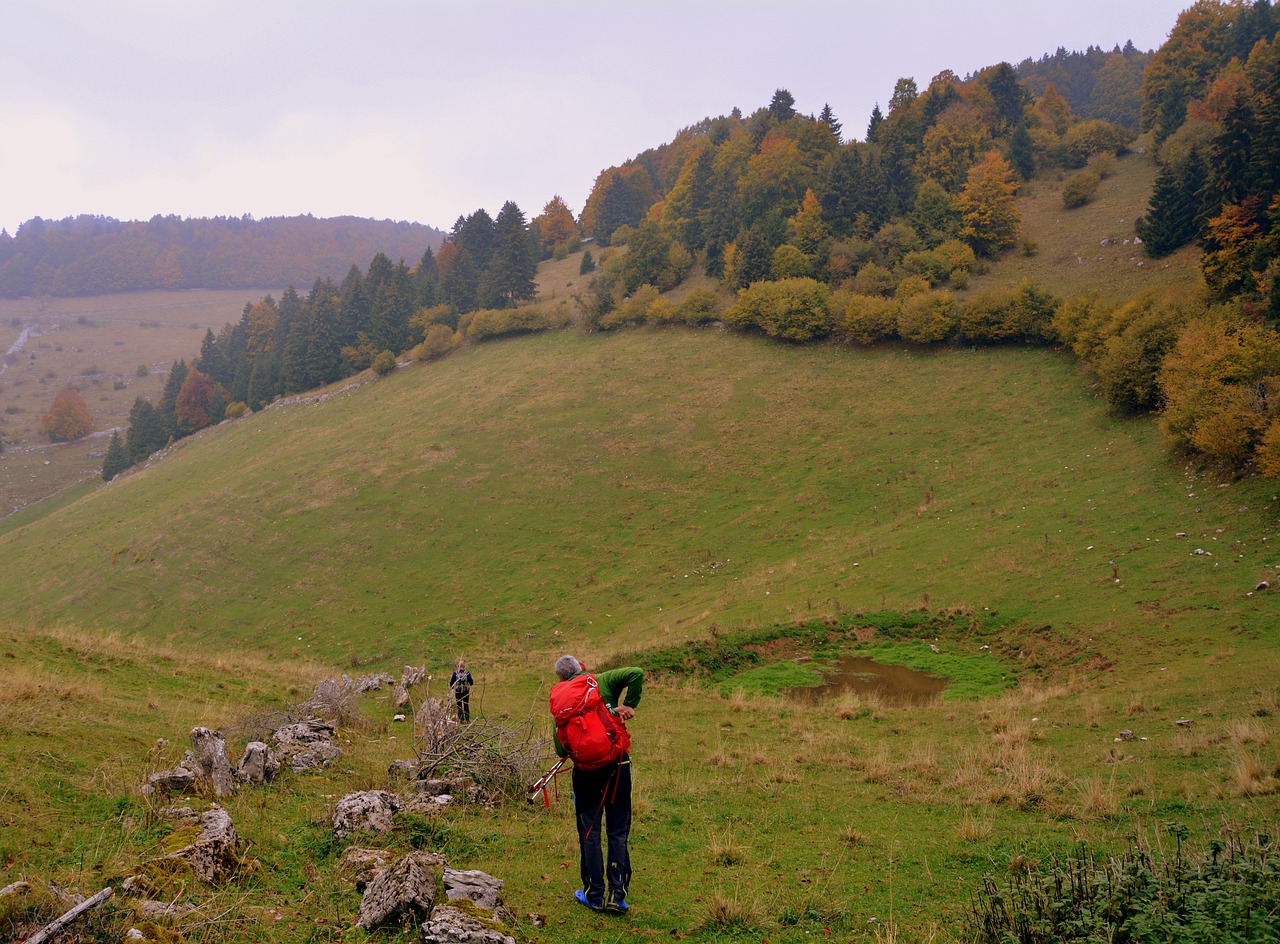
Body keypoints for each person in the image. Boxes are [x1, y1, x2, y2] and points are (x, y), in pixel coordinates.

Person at [551, 655, 643, 915]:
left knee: (589, 833)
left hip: (585, 774)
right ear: (582, 667)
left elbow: (560, 748)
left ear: (560, 678)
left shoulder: (561, 702)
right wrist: (629, 705)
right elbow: (636, 671)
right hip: (618, 767)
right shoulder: (601, 680)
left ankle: (594, 895)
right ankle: (617, 897)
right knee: (617, 831)